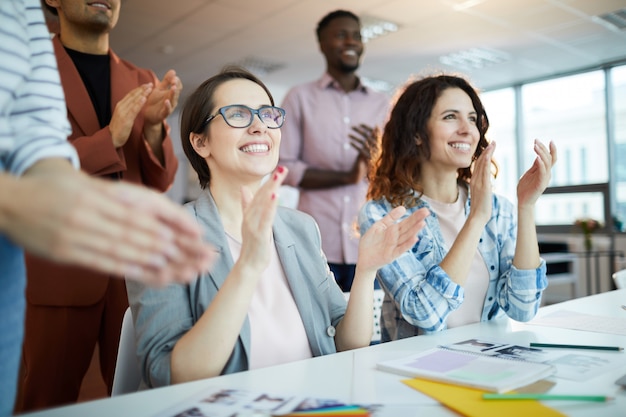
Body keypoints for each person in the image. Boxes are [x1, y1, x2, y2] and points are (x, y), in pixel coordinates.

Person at [126, 67, 429, 387]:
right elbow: (168, 376)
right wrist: (248, 267)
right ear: (201, 143)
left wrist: (366, 271)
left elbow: (345, 345)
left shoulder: (300, 227)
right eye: (238, 115)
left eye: (268, 115)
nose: (259, 126)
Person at [0, 1, 214, 415]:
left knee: (138, 397)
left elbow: (162, 178)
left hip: (130, 273)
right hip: (56, 264)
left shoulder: (142, 80)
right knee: (45, 400)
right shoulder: (31, 60)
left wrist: (153, 130)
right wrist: (109, 138)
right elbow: (26, 162)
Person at [359, 74, 558, 342]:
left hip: (491, 362)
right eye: (450, 117)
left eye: (473, 119)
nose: (467, 129)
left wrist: (526, 206)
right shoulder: (384, 214)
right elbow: (424, 312)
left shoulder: (499, 209)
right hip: (418, 370)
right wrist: (475, 219)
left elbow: (523, 309)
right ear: (417, 133)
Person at [279, 10, 390, 292]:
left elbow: (396, 168)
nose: (351, 41)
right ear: (322, 45)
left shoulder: (382, 104)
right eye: (341, 35)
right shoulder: (299, 98)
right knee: (318, 331)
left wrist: (375, 162)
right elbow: (285, 167)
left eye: (356, 35)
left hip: (369, 242)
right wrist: (348, 176)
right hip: (316, 244)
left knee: (369, 333)